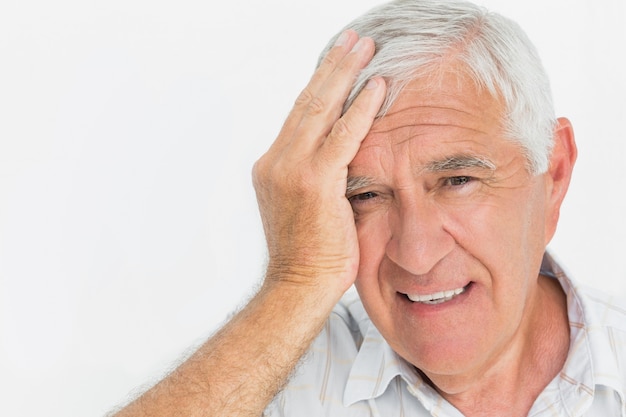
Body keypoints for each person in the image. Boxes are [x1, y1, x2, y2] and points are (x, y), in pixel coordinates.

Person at [112, 0, 626, 415]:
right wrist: (296, 281)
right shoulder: (272, 382)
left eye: (457, 180)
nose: (417, 254)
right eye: (367, 196)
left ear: (554, 174)